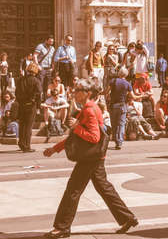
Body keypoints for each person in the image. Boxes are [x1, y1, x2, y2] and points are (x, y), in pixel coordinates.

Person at [43, 79, 138, 238]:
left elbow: (94, 137)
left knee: (73, 190)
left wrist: (76, 127)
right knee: (104, 188)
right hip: (96, 156)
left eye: (78, 90)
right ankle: (127, 218)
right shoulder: (88, 108)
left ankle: (62, 227)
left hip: (90, 158)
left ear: (87, 93)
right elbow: (75, 138)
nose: (74, 93)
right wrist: (55, 149)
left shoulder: (89, 110)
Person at [106, 67, 137, 150]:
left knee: (114, 124)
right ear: (126, 75)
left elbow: (107, 92)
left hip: (113, 105)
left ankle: (116, 139)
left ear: (119, 73)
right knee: (121, 124)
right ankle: (119, 142)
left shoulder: (113, 81)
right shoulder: (127, 83)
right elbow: (133, 96)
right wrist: (143, 95)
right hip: (122, 105)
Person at [15, 62, 42, 152]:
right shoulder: (36, 81)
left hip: (22, 105)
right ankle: (26, 146)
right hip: (31, 106)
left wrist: (20, 101)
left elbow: (16, 93)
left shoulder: (20, 80)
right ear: (35, 71)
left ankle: (21, 143)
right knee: (28, 126)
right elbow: (38, 94)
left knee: (22, 125)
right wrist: (38, 106)